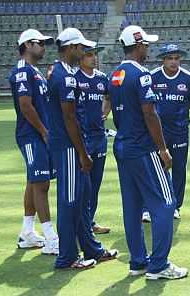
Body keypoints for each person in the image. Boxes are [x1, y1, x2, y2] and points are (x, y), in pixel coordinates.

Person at [109, 25, 188, 279]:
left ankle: (137, 262)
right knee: (166, 203)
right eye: (146, 44)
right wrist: (163, 149)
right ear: (139, 44)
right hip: (143, 148)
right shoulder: (142, 74)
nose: (149, 48)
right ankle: (159, 265)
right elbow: (149, 112)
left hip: (122, 146)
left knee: (132, 206)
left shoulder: (116, 74)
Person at [47, 27, 118, 269]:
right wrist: (82, 152)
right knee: (69, 201)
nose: (84, 51)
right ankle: (67, 256)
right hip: (68, 147)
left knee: (81, 198)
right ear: (70, 48)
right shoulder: (64, 76)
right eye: (80, 47)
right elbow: (69, 118)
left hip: (73, 145)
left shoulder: (63, 73)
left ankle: (91, 249)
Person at [8, 29, 59, 255]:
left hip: (39, 133)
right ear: (27, 45)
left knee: (34, 180)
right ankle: (51, 237)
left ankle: (27, 232)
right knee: (41, 183)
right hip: (31, 135)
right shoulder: (22, 71)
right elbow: (26, 105)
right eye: (40, 43)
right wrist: (44, 131)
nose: (44, 47)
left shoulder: (34, 72)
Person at [142, 43, 190, 222]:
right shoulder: (152, 77)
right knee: (154, 168)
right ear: (163, 60)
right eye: (170, 58)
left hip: (180, 131)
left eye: (176, 58)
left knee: (179, 169)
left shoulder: (189, 78)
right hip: (157, 132)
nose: (174, 62)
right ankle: (148, 207)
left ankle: (175, 206)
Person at [75, 44, 111, 234]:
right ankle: (80, 223)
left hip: (99, 136)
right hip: (82, 137)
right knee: (83, 184)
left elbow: (109, 97)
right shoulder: (74, 78)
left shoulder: (101, 78)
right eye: (89, 55)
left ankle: (90, 222)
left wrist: (104, 114)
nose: (93, 58)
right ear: (80, 58)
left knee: (95, 183)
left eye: (94, 55)